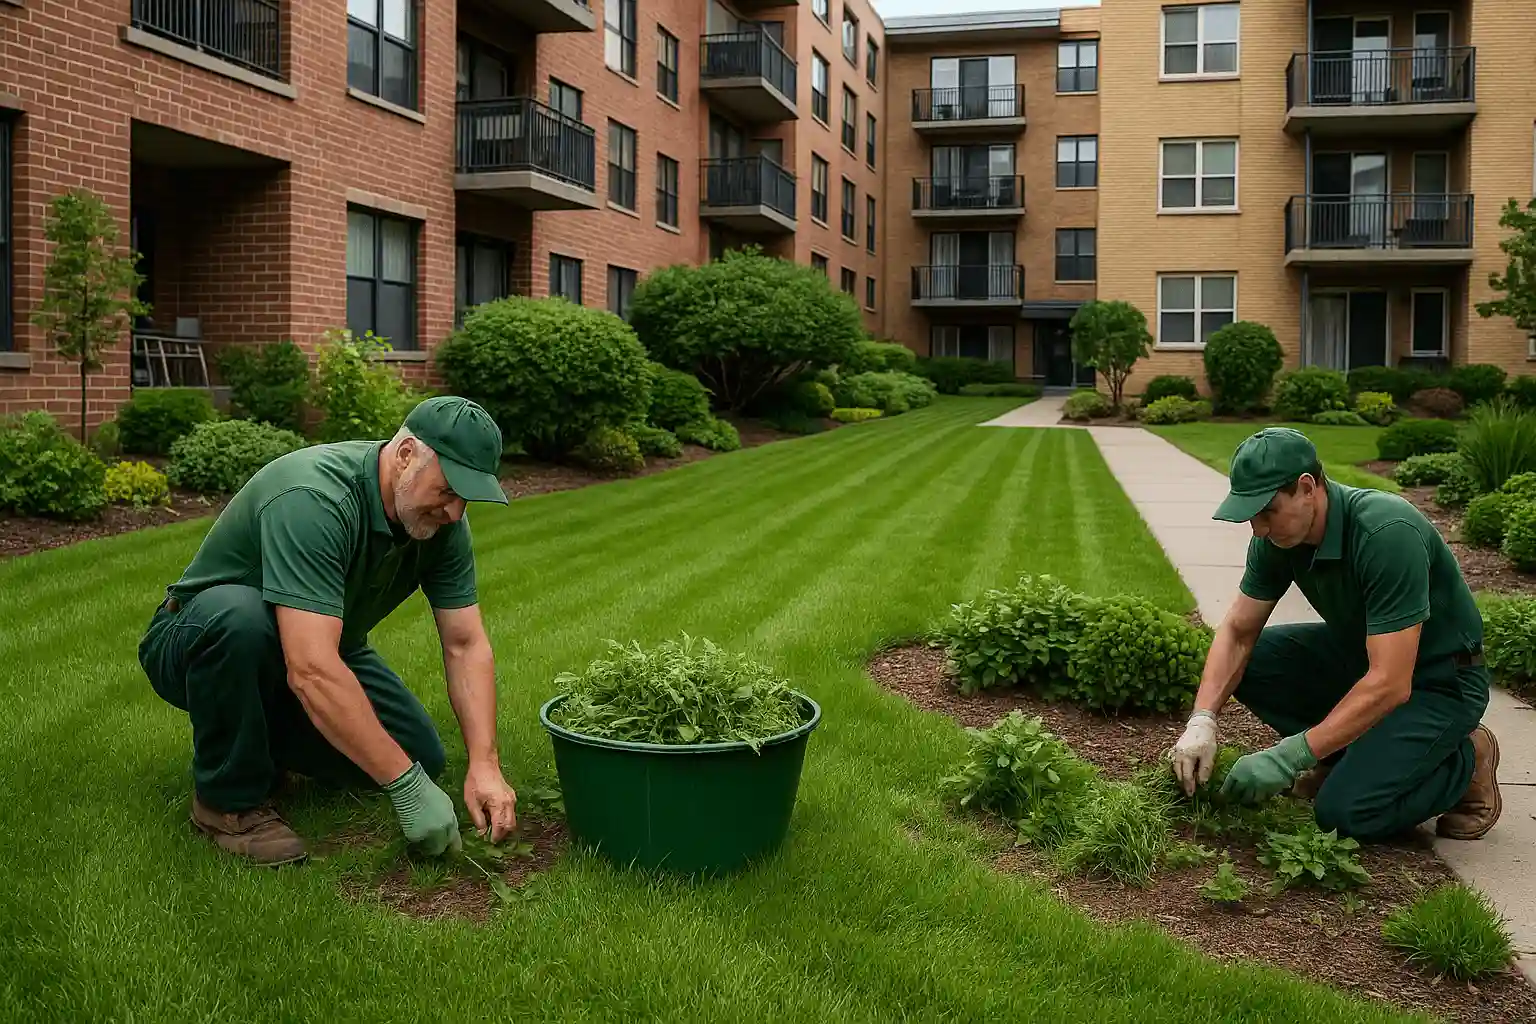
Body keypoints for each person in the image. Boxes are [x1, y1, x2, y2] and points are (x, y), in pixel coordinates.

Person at [138, 395, 520, 866]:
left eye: (467, 498)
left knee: (419, 753)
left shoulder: (443, 528)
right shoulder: (315, 498)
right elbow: (313, 670)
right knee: (242, 616)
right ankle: (227, 803)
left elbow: (465, 643)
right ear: (405, 456)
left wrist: (485, 763)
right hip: (199, 636)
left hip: (315, 646)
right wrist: (405, 788)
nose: (455, 513)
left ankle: (260, 741)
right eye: (447, 491)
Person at [1169, 426, 1501, 843]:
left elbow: (1391, 682)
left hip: (1439, 681)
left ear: (1307, 488)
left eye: (1267, 510)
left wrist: (1292, 755)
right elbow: (1237, 632)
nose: (1258, 529)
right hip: (1363, 659)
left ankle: (1466, 760)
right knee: (1254, 660)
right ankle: (1354, 755)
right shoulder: (1278, 539)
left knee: (1343, 813)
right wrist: (1202, 720)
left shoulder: (1385, 533)